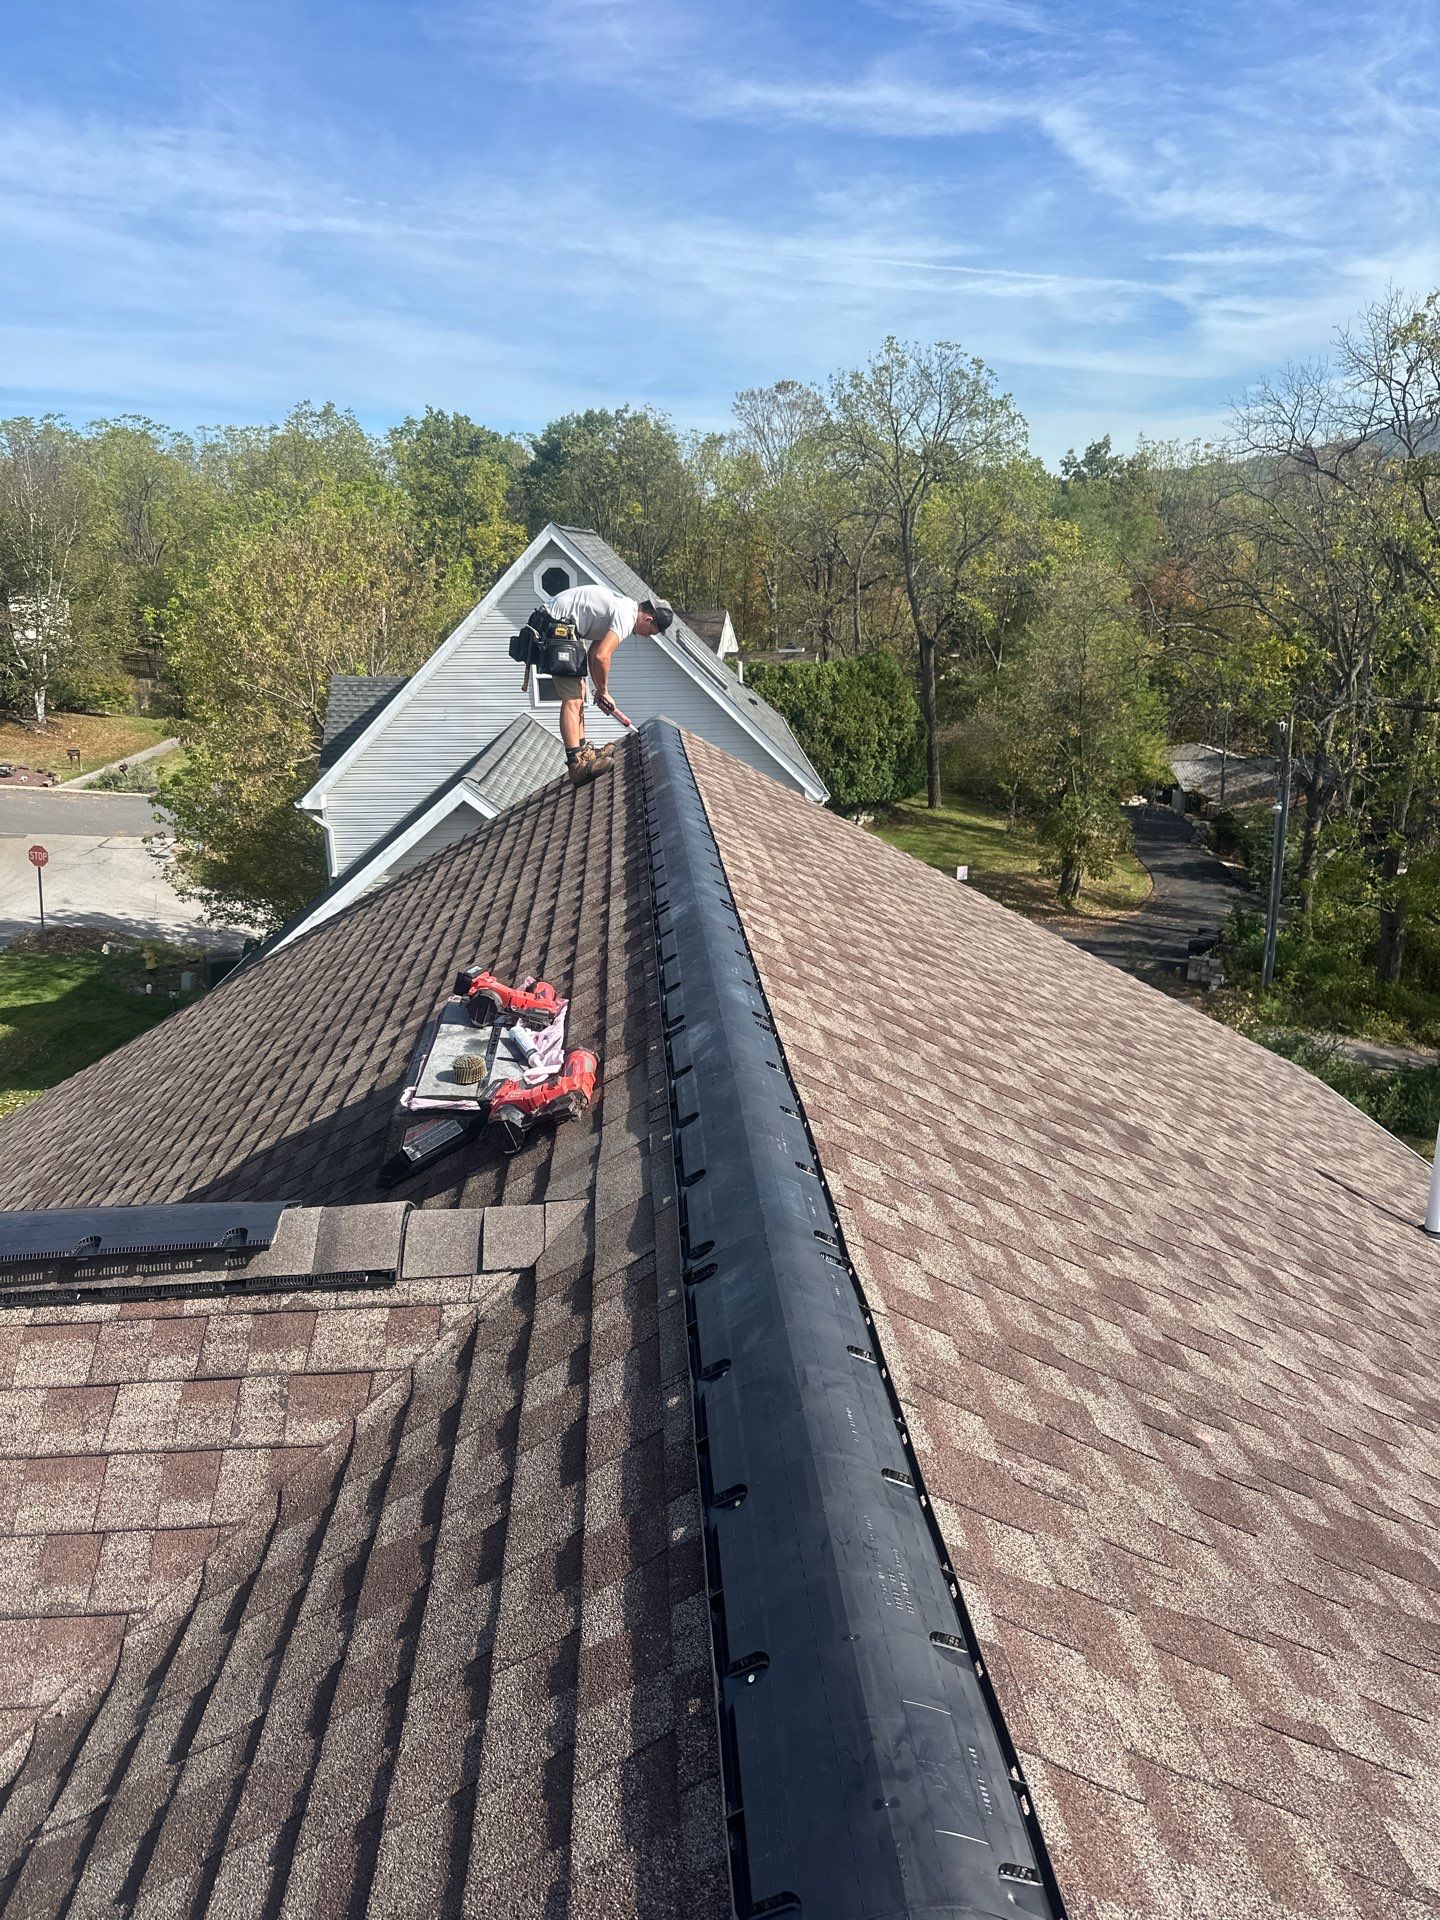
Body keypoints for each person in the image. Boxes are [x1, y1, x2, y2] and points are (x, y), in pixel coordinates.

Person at [543, 583, 673, 782]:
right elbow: (603, 657)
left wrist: (599, 690)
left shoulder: (623, 607)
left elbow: (594, 654)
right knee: (573, 697)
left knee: (581, 690)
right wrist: (604, 691)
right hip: (554, 625)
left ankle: (584, 752)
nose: (647, 637)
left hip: (562, 626)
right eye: (651, 632)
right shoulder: (627, 616)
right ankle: (576, 765)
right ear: (648, 619)